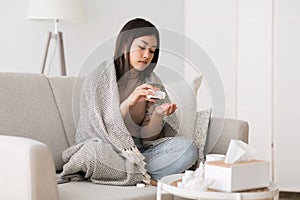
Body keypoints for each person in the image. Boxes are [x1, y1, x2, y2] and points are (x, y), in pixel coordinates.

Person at [61, 18, 198, 186]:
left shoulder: (152, 81)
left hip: (140, 155)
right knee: (92, 153)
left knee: (187, 149)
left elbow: (150, 136)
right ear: (125, 46)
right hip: (109, 150)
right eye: (141, 48)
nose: (147, 55)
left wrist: (158, 114)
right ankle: (145, 177)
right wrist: (129, 103)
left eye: (152, 51)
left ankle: (135, 173)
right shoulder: (99, 78)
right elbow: (98, 131)